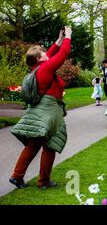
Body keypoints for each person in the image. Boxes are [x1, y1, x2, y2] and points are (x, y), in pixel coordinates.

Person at [10, 26, 72, 189]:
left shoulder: (37, 69)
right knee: (49, 145)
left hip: (41, 111)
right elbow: (62, 55)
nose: (46, 54)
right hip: (49, 111)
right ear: (39, 59)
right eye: (43, 53)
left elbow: (51, 54)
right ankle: (43, 181)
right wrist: (68, 38)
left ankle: (17, 176)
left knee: (34, 145)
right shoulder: (45, 68)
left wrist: (58, 41)